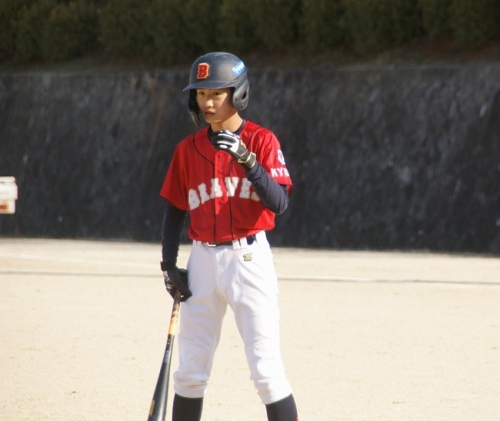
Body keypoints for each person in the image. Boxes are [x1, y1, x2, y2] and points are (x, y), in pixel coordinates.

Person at [159, 51, 299, 421]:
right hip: (202, 260)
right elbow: (175, 209)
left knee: (266, 372)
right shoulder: (187, 150)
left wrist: (248, 160)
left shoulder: (262, 140)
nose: (207, 102)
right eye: (201, 94)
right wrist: (169, 264)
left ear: (238, 93)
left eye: (216, 93)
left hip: (248, 259)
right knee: (190, 373)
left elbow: (279, 202)